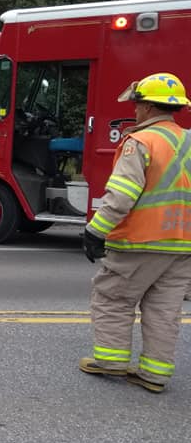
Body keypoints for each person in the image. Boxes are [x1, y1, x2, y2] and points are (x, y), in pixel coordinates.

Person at [79, 72, 191, 393]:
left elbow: (122, 195)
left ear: (146, 107)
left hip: (140, 242)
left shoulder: (140, 142)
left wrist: (95, 231)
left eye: (137, 104)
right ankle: (154, 375)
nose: (134, 110)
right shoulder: (189, 141)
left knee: (113, 297)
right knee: (164, 309)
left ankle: (111, 361)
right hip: (182, 245)